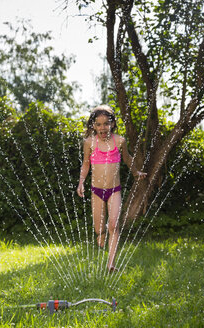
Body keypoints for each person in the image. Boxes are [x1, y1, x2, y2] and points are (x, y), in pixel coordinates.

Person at [76, 105, 146, 272]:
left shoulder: (119, 141)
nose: (103, 128)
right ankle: (101, 234)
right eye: (99, 124)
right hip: (96, 191)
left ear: (112, 124)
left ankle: (111, 264)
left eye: (106, 124)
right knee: (99, 229)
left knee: (113, 225)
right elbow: (86, 164)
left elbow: (128, 158)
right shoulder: (89, 143)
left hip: (114, 190)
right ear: (93, 126)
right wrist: (81, 182)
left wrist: (135, 172)